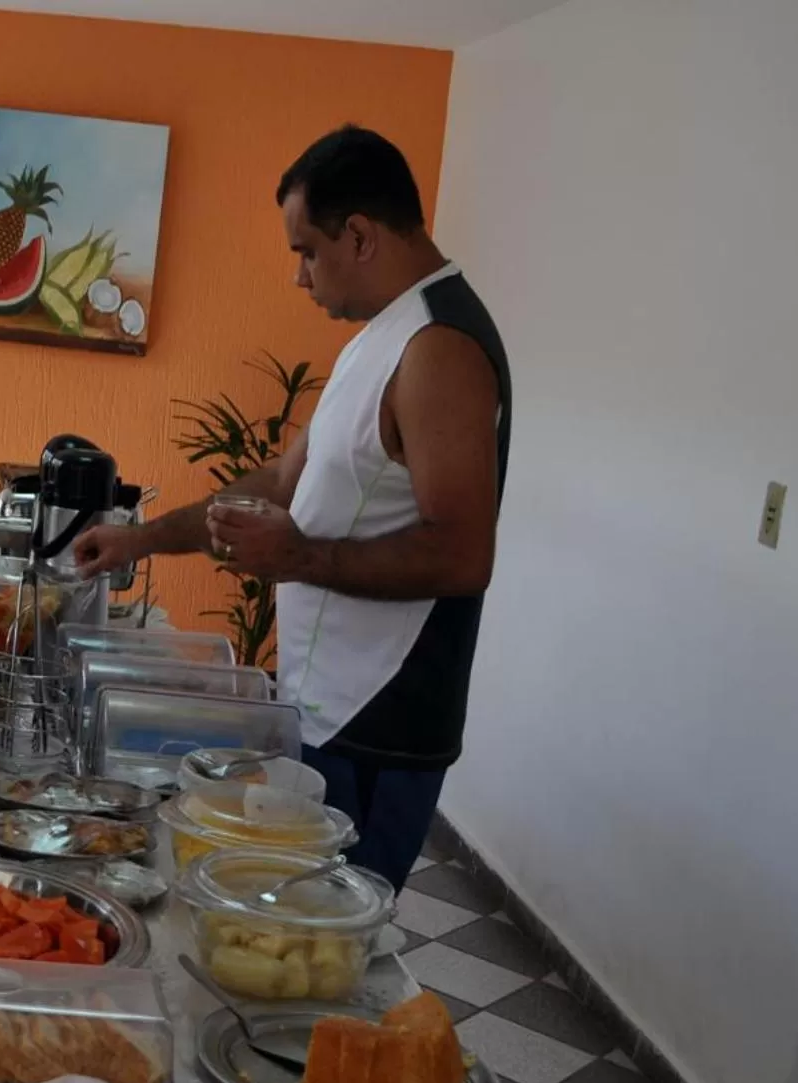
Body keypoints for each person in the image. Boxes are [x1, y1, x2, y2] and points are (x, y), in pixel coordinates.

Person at [75, 126, 510, 891]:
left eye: (306, 251)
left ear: (361, 235)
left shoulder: (441, 347)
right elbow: (280, 480)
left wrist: (301, 557)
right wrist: (138, 540)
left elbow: (464, 555)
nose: (301, 278)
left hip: (382, 719)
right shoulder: (381, 336)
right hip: (321, 709)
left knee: (330, 944)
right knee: (283, 916)